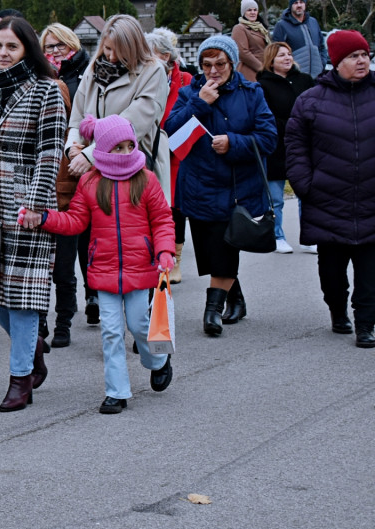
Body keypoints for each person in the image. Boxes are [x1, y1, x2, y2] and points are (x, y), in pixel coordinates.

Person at [31, 115, 175, 413]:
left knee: (139, 325)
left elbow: (162, 219)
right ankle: (116, 392)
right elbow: (75, 221)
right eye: (117, 148)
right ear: (103, 151)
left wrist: (164, 251)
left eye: (129, 146)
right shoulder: (89, 182)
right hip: (104, 270)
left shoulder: (145, 179)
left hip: (140, 268)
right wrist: (45, 218)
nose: (124, 153)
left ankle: (158, 360)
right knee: (110, 332)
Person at [0, 16, 65, 412]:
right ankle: (33, 345)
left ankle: (20, 378)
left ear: (28, 50)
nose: (3, 54)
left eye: (11, 47)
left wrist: (36, 206)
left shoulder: (46, 90)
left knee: (23, 295)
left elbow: (50, 151)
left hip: (27, 206)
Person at [165, 35, 277, 336]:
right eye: (207, 64)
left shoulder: (252, 92)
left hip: (237, 187)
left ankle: (212, 310)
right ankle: (236, 299)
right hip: (199, 185)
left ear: (232, 63)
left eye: (220, 64)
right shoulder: (191, 92)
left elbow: (269, 138)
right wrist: (200, 104)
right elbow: (171, 133)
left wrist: (234, 143)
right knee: (212, 250)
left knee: (226, 247)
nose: (213, 71)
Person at [66, 14, 169, 327]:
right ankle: (102, 298)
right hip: (94, 167)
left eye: (117, 50)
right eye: (106, 48)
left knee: (139, 237)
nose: (110, 56)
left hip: (134, 162)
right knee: (97, 234)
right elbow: (78, 112)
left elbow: (134, 122)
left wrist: (89, 153)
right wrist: (72, 144)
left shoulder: (153, 71)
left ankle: (144, 311)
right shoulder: (95, 69)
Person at [285, 29, 375, 348]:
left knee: (370, 274)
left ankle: (366, 324)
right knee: (332, 275)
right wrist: (306, 185)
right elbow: (295, 145)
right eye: (353, 56)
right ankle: (338, 311)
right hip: (327, 201)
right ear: (336, 61)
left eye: (364, 54)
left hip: (370, 202)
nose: (361, 60)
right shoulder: (311, 100)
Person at [40, 23, 90, 347]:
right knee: (52, 259)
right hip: (48, 177)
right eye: (49, 46)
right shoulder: (40, 79)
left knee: (76, 252)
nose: (55, 51)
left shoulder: (85, 75)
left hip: (76, 171)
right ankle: (50, 320)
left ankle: (68, 317)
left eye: (60, 45)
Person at [145, 31, 194, 284]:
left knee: (174, 208)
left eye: (150, 53)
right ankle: (154, 257)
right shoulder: (142, 77)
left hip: (176, 151)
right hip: (149, 149)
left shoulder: (185, 79)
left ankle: (175, 260)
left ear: (165, 56)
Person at [257, 41, 314, 255]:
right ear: (271, 61)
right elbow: (266, 116)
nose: (287, 58)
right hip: (276, 146)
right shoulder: (263, 85)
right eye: (281, 55)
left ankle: (309, 237)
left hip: (304, 145)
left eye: (289, 54)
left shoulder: (305, 80)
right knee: (276, 197)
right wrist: (293, 124)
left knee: (305, 194)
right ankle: (277, 236)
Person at [272, 0, 328, 79]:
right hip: (295, 78)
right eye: (295, 3)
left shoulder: (313, 22)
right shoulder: (281, 25)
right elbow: (275, 52)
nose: (299, 5)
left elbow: (322, 46)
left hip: (316, 77)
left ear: (305, 4)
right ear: (291, 5)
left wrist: (322, 63)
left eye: (301, 2)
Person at [232, 0, 271, 82]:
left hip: (266, 68)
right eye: (249, 10)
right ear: (243, 13)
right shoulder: (239, 28)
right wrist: (261, 68)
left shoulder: (261, 28)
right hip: (250, 71)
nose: (253, 12)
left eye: (255, 10)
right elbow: (243, 52)